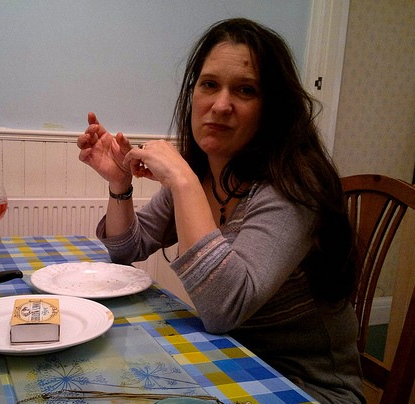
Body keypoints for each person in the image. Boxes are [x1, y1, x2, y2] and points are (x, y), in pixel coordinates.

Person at [77, 18, 364, 403]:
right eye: (209, 84)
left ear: (271, 108)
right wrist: (120, 185)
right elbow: (127, 248)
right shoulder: (202, 173)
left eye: (245, 90)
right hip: (229, 363)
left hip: (304, 387)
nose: (220, 105)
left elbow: (223, 308)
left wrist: (182, 181)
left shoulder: (295, 186)